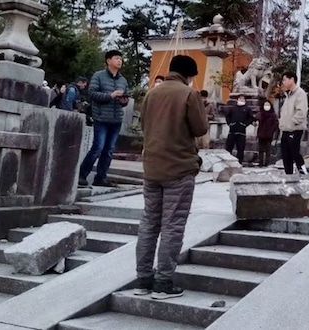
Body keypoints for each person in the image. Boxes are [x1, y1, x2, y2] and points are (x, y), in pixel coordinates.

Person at [135, 55, 208, 300]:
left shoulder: (151, 94)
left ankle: (143, 279)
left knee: (149, 224)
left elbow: (144, 126)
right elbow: (200, 129)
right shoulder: (188, 94)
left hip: (152, 168)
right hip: (178, 168)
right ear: (189, 75)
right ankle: (163, 282)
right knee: (172, 225)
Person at [78, 50, 129, 187]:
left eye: (121, 59)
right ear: (108, 61)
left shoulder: (122, 80)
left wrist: (123, 100)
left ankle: (101, 177)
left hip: (116, 118)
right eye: (117, 58)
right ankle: (81, 175)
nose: (120, 61)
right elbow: (92, 93)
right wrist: (110, 96)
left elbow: (127, 97)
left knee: (109, 150)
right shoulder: (98, 76)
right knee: (97, 147)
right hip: (101, 117)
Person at [279, 71, 309, 175]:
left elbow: (301, 112)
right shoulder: (288, 95)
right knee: (286, 155)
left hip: (295, 129)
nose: (283, 82)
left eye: (285, 79)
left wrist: (292, 123)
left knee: (295, 153)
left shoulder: (300, 93)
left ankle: (304, 172)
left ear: (292, 79)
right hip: (286, 130)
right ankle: (289, 176)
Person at [225, 94, 254, 163]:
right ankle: (227, 161)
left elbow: (250, 118)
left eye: (243, 99)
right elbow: (227, 116)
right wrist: (230, 123)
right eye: (240, 99)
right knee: (229, 147)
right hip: (232, 131)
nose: (241, 100)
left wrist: (245, 124)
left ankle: (239, 162)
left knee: (240, 148)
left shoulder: (247, 109)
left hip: (242, 132)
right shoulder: (232, 108)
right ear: (237, 100)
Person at [256, 99, 279, 167]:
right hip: (261, 133)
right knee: (260, 149)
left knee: (268, 149)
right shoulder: (260, 114)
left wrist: (272, 130)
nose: (266, 106)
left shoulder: (273, 115)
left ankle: (267, 162)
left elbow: (276, 124)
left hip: (269, 134)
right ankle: (260, 162)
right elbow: (256, 120)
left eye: (268, 105)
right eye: (265, 105)